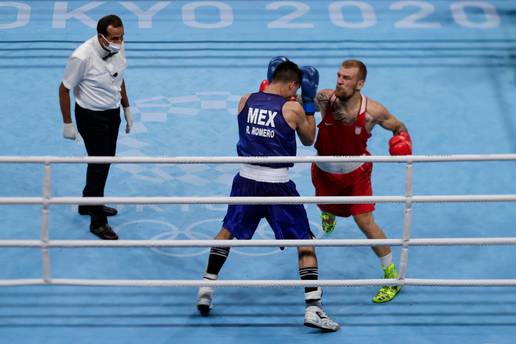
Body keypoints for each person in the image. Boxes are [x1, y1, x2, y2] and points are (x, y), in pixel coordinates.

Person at [196, 58, 340, 332]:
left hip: (246, 179)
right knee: (304, 240)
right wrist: (308, 104)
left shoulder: (245, 99)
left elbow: (261, 111)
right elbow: (309, 139)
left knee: (227, 231)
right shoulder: (293, 108)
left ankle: (205, 288)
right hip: (277, 184)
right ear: (293, 84)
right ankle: (314, 308)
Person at [311, 59, 412, 303]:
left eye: (346, 78)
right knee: (325, 206)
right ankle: (329, 211)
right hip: (324, 172)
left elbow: (399, 127)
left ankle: (391, 276)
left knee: (365, 222)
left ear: (360, 83)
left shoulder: (373, 111)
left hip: (357, 173)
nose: (339, 81)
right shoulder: (324, 100)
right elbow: (291, 104)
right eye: (338, 75)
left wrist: (403, 140)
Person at [58, 14, 133, 240]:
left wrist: (127, 108)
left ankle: (88, 203)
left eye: (121, 37)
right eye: (114, 38)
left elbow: (118, 78)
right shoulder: (81, 57)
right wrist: (68, 123)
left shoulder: (118, 46)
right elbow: (63, 89)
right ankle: (97, 221)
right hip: (91, 117)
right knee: (99, 165)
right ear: (101, 37)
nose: (119, 42)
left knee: (105, 161)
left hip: (112, 114)